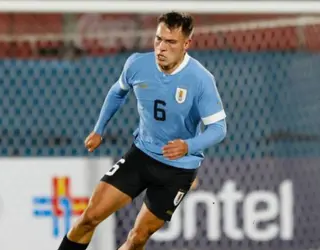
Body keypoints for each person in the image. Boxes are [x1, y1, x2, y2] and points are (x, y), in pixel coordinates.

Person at [57, 11, 227, 250]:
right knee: (89, 218)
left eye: (170, 42)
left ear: (186, 44)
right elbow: (117, 92)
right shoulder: (138, 64)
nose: (161, 47)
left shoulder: (200, 80)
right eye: (158, 39)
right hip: (141, 156)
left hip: (177, 171)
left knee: (137, 238)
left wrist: (189, 146)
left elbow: (219, 128)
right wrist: (99, 130)